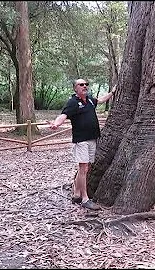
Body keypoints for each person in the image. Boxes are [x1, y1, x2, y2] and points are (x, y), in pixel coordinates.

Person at [48, 78, 116, 210]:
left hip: (92, 139)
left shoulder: (90, 99)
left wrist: (112, 93)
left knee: (84, 168)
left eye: (86, 84)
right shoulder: (73, 102)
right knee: (83, 168)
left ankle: (76, 193)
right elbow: (64, 115)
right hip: (81, 140)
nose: (85, 86)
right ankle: (85, 199)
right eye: (81, 85)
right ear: (75, 88)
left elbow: (101, 100)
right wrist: (56, 124)